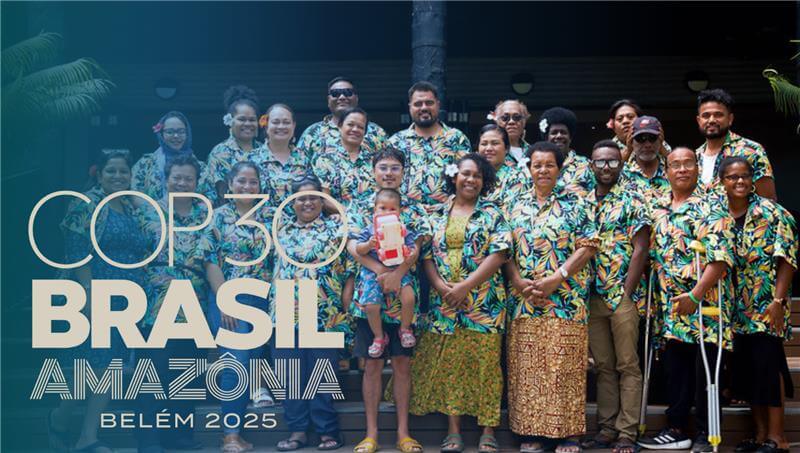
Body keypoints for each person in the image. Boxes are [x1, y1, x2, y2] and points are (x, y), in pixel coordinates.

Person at [50, 149, 151, 453]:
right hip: (95, 293)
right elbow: (77, 250)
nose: (119, 176)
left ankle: (87, 437)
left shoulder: (131, 208)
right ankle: (60, 417)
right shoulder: (85, 204)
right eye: (112, 171)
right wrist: (89, 292)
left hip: (127, 299)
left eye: (124, 171)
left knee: (111, 366)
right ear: (98, 173)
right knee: (87, 367)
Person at [410, 153, 510, 453]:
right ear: (454, 177)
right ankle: (453, 430)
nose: (471, 180)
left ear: (484, 181)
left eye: (477, 176)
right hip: (446, 305)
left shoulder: (494, 212)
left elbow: (500, 253)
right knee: (452, 367)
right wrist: (442, 288)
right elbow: (426, 256)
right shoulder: (437, 213)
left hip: (484, 303)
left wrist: (465, 286)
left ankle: (488, 429)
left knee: (487, 367)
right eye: (466, 174)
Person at [637, 147, 735, 452]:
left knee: (705, 371)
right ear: (666, 171)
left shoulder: (712, 205)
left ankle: (707, 434)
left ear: (696, 168)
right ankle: (676, 429)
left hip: (705, 303)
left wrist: (696, 294)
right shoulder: (659, 208)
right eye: (675, 165)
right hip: (671, 307)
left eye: (687, 164)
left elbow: (720, 260)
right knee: (675, 369)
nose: (681, 169)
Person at [504, 141, 599, 453]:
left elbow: (587, 246)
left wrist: (556, 279)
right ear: (529, 168)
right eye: (537, 164)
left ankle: (568, 434)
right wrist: (519, 281)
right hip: (524, 301)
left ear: (559, 169)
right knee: (528, 369)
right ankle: (530, 432)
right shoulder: (514, 205)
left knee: (564, 368)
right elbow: (503, 250)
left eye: (549, 165)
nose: (542, 170)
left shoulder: (576, 203)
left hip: (566, 300)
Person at [346, 148, 431, 453]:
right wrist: (384, 272)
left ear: (403, 172)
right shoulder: (360, 206)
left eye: (395, 168)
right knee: (371, 365)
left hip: (403, 295)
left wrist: (400, 273)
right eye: (383, 167)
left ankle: (403, 434)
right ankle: (370, 434)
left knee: (402, 365)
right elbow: (353, 246)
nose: (389, 173)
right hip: (372, 293)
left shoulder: (415, 208)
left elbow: (418, 246)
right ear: (373, 170)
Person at [720, 157, 796, 453]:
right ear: (722, 181)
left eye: (744, 177)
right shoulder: (718, 215)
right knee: (748, 370)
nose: (739, 182)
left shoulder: (774, 213)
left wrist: (778, 301)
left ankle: (778, 438)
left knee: (769, 367)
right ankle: (760, 434)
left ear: (752, 180)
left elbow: (787, 260)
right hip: (733, 309)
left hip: (767, 306)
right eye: (732, 177)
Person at [271, 174, 351, 452]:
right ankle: (297, 431)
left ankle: (327, 431)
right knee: (291, 374)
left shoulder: (337, 228)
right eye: (300, 198)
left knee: (322, 374)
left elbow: (349, 270)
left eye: (313, 197)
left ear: (322, 200)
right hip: (285, 307)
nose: (307, 202)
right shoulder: (279, 229)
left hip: (323, 309)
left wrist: (345, 307)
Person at [137, 155, 208, 453]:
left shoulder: (204, 215)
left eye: (188, 178)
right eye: (176, 177)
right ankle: (150, 440)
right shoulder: (147, 213)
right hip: (156, 304)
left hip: (194, 304)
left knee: (186, 372)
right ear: (167, 179)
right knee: (154, 374)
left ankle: (181, 436)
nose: (182, 182)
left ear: (196, 182)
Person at [582, 140, 650, 453]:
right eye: (600, 162)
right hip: (590, 295)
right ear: (591, 165)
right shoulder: (581, 200)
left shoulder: (633, 199)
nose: (606, 167)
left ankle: (627, 431)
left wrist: (627, 293)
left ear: (620, 164)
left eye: (612, 162)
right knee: (604, 366)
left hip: (621, 293)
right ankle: (607, 428)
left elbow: (641, 249)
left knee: (627, 364)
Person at [200, 161, 272, 453]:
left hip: (265, 299)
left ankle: (239, 431)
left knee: (254, 362)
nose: (247, 186)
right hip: (232, 299)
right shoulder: (218, 218)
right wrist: (224, 299)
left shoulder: (271, 216)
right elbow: (209, 261)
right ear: (229, 185)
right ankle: (230, 434)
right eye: (241, 181)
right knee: (236, 364)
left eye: (252, 182)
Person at [387, 81, 471, 212]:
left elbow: (467, 177)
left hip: (447, 214)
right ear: (410, 107)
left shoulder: (456, 139)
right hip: (406, 216)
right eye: (418, 104)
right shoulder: (396, 142)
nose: (424, 108)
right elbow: (387, 180)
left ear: (438, 104)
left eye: (429, 103)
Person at [353, 189, 418, 355]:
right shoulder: (369, 231)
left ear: (400, 211)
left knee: (409, 297)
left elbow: (412, 250)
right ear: (375, 210)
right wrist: (368, 245)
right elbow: (358, 250)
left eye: (392, 209)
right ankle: (379, 337)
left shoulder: (403, 230)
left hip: (398, 269)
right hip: (372, 273)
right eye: (382, 208)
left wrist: (409, 253)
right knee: (371, 306)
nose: (387, 212)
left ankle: (404, 329)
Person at [695, 88, 776, 200]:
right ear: (699, 121)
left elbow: (768, 199)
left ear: (730, 119)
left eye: (718, 115)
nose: (711, 120)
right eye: (706, 115)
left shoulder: (751, 150)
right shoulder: (694, 158)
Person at [200, 85, 264, 205]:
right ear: (229, 120)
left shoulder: (265, 150)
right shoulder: (220, 153)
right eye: (242, 119)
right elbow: (218, 194)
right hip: (230, 217)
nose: (247, 124)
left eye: (252, 120)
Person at [297, 76, 386, 160]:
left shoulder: (376, 132)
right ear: (328, 100)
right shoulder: (311, 133)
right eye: (335, 93)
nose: (342, 97)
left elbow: (391, 164)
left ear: (356, 98)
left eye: (348, 92)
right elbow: (298, 170)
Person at [132, 111, 202, 201]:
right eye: (170, 132)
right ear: (161, 134)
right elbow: (134, 192)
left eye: (181, 132)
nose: (176, 136)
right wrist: (154, 211)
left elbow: (209, 195)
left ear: (187, 134)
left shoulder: (200, 166)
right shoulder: (145, 164)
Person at [312, 107, 376, 205]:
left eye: (360, 127)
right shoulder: (324, 159)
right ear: (340, 126)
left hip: (371, 217)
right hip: (337, 217)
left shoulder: (375, 160)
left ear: (365, 132)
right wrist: (347, 214)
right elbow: (324, 199)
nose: (355, 129)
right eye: (350, 125)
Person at [258, 103, 310, 208]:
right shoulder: (251, 159)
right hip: (263, 223)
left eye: (286, 122)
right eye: (275, 122)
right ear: (266, 125)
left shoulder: (304, 157)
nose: (281, 126)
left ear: (294, 125)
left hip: (300, 223)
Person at [475, 124, 532, 216]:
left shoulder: (518, 177)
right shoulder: (471, 176)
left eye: (495, 143)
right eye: (484, 144)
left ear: (506, 149)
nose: (488, 148)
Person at [538, 106, 595, 197]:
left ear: (570, 138)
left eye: (563, 132)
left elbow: (595, 193)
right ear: (546, 138)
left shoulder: (586, 164)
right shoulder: (536, 166)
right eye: (554, 132)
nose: (559, 136)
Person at [618, 115, 671, 200]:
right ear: (631, 141)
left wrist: (664, 152)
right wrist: (628, 150)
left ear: (660, 140)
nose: (647, 145)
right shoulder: (622, 172)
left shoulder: (674, 170)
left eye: (652, 138)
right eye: (640, 139)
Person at [606, 100, 671, 162]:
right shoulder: (608, 149)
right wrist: (628, 151)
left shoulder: (656, 140)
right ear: (613, 125)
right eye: (620, 119)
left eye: (630, 117)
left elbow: (673, 165)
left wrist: (660, 147)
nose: (625, 121)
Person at [491, 99, 531, 164]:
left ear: (524, 122)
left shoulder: (533, 152)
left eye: (517, 117)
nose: (511, 122)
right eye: (505, 118)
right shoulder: (490, 151)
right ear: (497, 122)